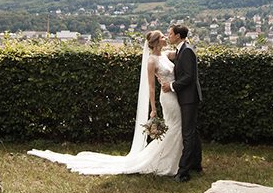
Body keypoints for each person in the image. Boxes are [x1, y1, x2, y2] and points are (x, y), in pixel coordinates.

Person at [27, 31, 183, 176]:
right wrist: (153, 109)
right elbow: (151, 86)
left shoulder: (165, 55)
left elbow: (181, 53)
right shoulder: (151, 61)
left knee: (176, 126)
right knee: (176, 126)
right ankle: (165, 162)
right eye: (163, 37)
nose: (166, 39)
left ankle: (175, 159)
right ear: (156, 42)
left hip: (175, 93)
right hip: (167, 97)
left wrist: (184, 39)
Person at [161, 24, 202, 182]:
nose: (169, 35)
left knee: (188, 134)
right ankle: (196, 164)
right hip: (185, 97)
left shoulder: (187, 51)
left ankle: (183, 172)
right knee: (193, 131)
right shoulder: (180, 50)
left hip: (189, 98)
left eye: (170, 33)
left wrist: (171, 86)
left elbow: (189, 77)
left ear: (178, 36)